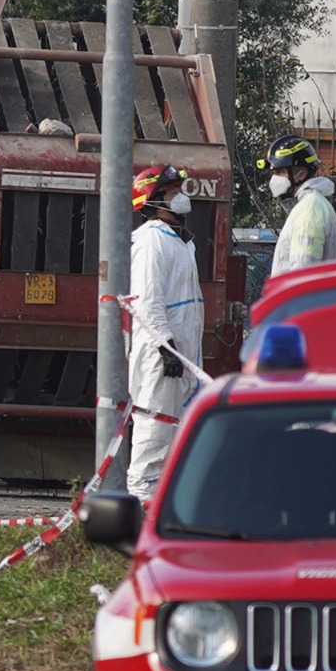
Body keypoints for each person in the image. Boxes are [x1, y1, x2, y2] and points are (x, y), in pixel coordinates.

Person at [127, 165, 204, 504]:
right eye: (172, 192)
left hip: (181, 348)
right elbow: (147, 297)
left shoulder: (181, 243)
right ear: (154, 200)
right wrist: (163, 344)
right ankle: (142, 492)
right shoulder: (151, 240)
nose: (180, 196)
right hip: (163, 350)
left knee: (176, 422)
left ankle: (161, 497)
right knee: (155, 419)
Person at [258, 134, 336, 278]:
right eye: (273, 173)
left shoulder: (310, 209)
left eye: (280, 172)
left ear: (301, 174)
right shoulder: (309, 205)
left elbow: (302, 272)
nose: (274, 178)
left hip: (301, 300)